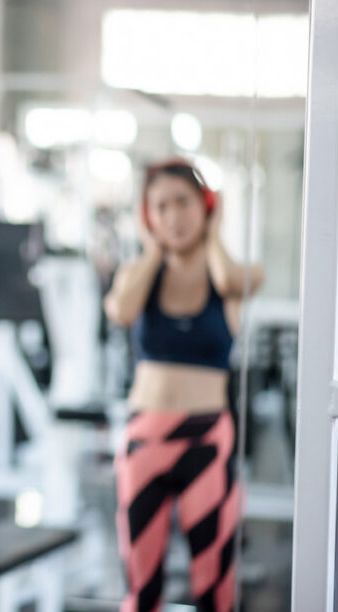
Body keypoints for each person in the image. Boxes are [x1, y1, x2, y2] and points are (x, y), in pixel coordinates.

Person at [103, 159, 263, 612]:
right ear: (148, 216)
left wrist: (214, 234)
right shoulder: (137, 274)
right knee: (141, 586)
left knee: (214, 587)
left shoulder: (232, 277)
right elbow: (121, 311)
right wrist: (153, 248)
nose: (173, 216)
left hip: (207, 441)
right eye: (161, 207)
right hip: (145, 440)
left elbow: (232, 279)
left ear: (206, 206)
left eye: (183, 203)